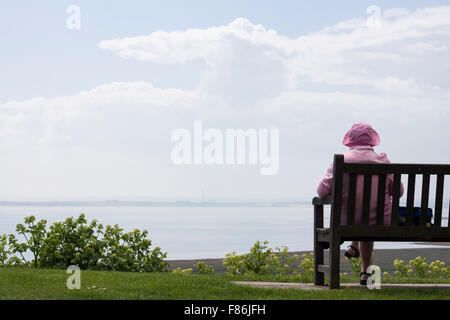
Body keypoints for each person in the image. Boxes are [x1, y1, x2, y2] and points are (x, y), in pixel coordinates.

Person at [316, 121, 404, 285]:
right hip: (379, 221)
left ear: (350, 140)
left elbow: (321, 191)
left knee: (359, 217)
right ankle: (365, 273)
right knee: (369, 217)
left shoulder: (342, 160)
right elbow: (398, 192)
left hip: (345, 223)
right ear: (372, 140)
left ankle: (353, 250)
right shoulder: (383, 160)